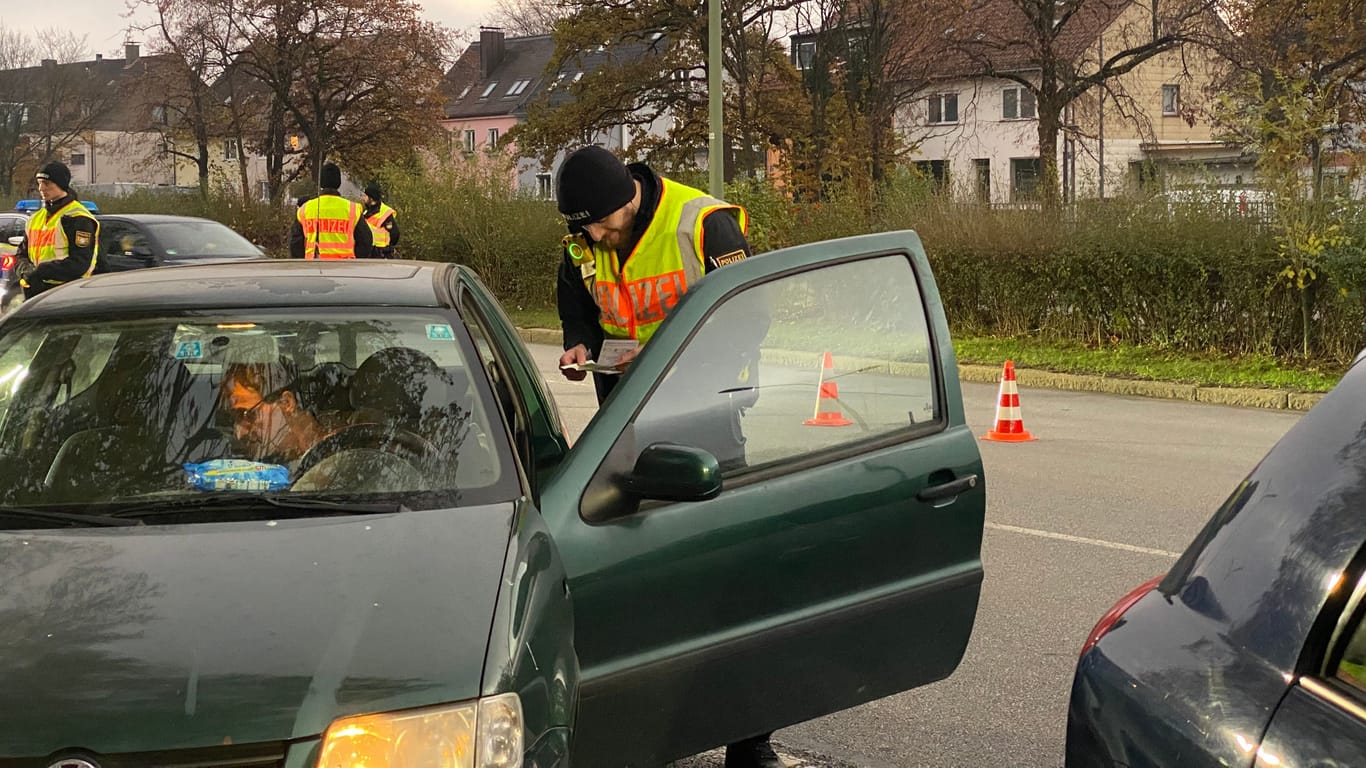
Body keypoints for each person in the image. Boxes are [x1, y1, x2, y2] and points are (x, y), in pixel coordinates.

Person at [554, 145, 777, 768]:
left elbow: (749, 311)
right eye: (582, 229)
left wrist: (677, 370)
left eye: (599, 223)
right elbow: (576, 296)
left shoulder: (703, 225)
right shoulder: (585, 236)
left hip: (706, 415)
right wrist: (578, 342)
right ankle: (648, 723)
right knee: (640, 574)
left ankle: (750, 737)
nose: (592, 237)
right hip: (625, 423)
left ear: (628, 196)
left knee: (727, 573)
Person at [220, 358, 421, 493]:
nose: (239, 433)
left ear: (286, 403)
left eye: (247, 415)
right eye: (233, 420)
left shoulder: (361, 448)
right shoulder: (243, 469)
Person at [12, 162, 100, 298]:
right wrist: (26, 271)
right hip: (36, 292)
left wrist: (40, 272)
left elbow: (79, 263)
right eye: (39, 183)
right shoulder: (36, 218)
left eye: (46, 183)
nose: (41, 188)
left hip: (67, 293)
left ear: (61, 184)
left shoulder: (78, 217)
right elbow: (21, 255)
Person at [289, 162, 371, 259]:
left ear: (321, 182)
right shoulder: (353, 209)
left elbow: (295, 244)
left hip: (313, 268)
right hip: (345, 269)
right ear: (338, 183)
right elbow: (366, 241)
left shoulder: (305, 209)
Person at [361, 182, 400, 259]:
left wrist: (389, 248)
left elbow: (395, 233)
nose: (362, 198)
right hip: (370, 252)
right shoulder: (366, 212)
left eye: (365, 196)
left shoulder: (385, 213)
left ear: (371, 198)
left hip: (381, 253)